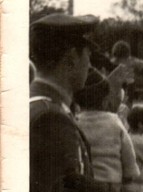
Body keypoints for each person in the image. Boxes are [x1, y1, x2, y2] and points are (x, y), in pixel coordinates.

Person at [29, 13, 122, 192]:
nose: (89, 65)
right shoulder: (50, 118)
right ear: (71, 58)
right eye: (88, 55)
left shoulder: (39, 104)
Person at [74, 70, 141, 191]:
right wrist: (129, 174)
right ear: (105, 100)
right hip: (111, 183)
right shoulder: (114, 122)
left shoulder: (75, 122)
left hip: (85, 183)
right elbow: (127, 151)